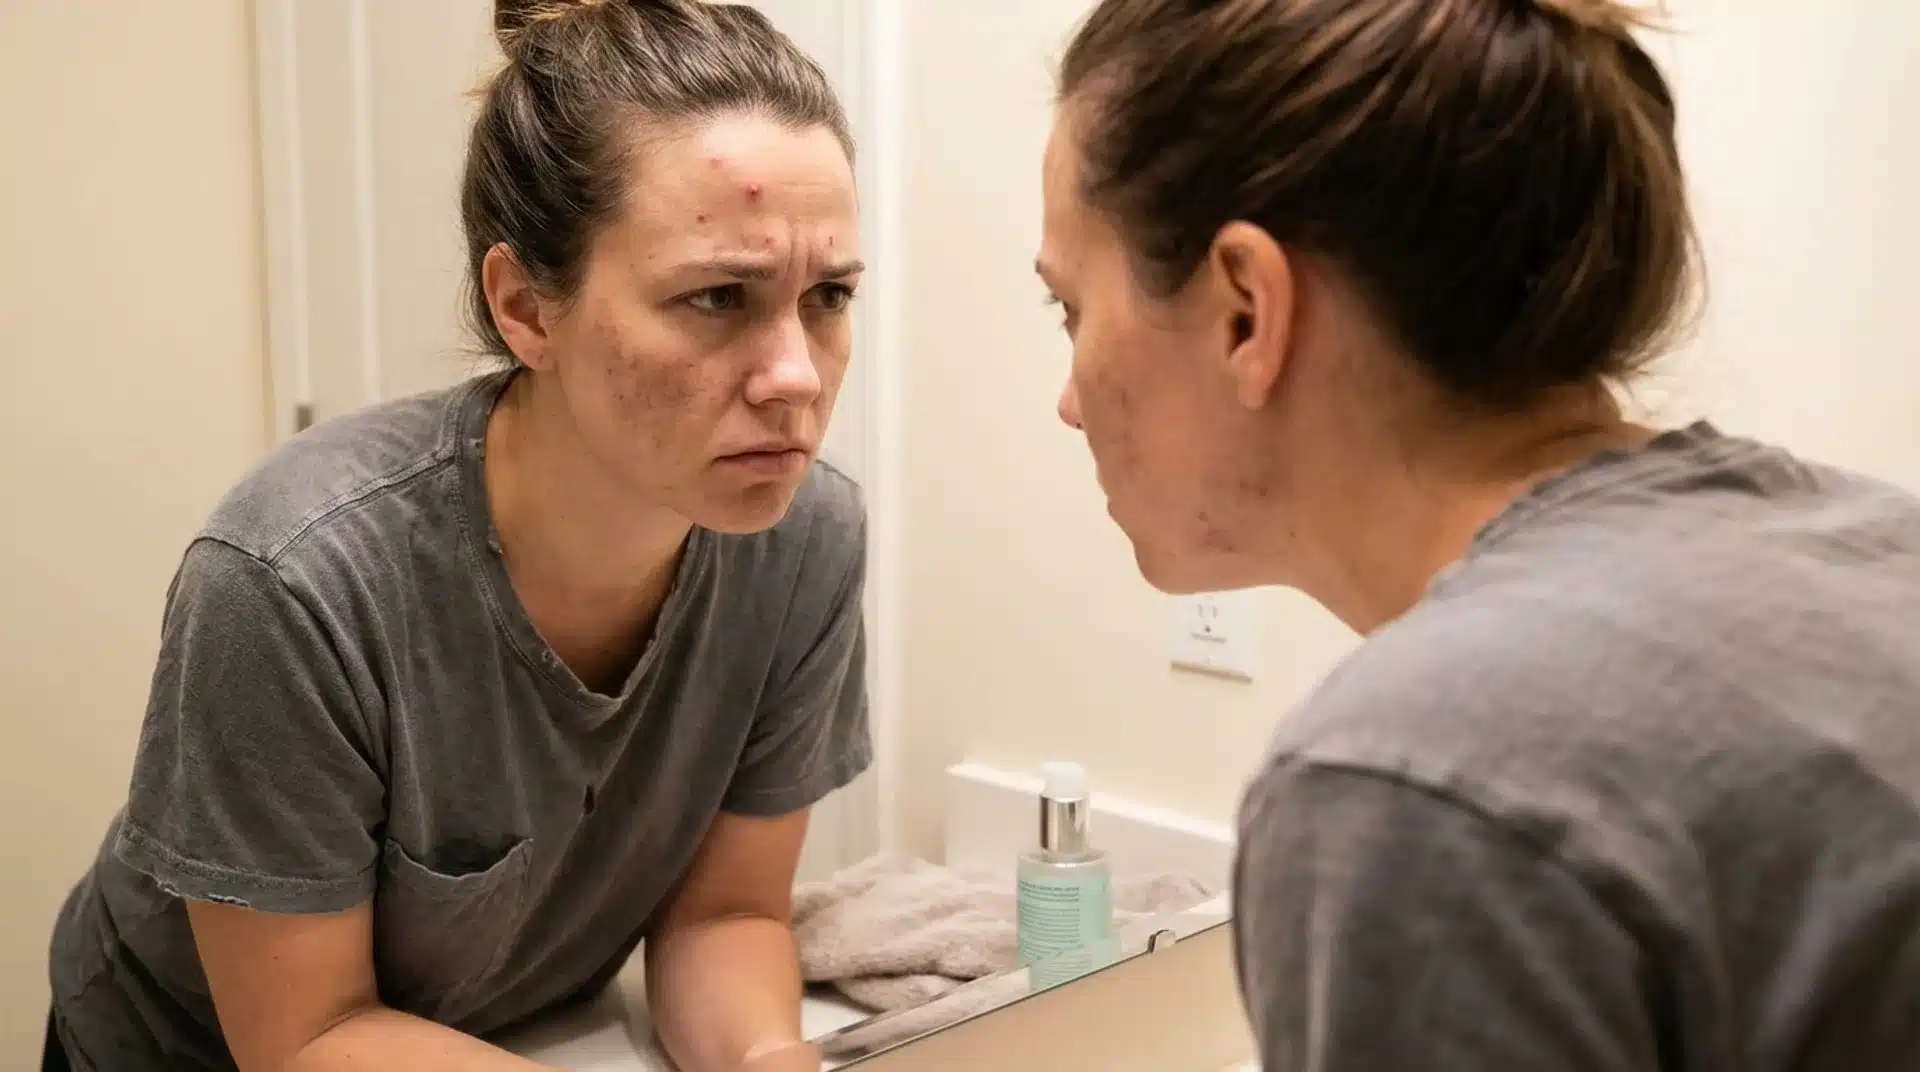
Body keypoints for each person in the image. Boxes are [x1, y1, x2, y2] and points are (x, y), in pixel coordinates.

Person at [1040, 0, 1920, 1069]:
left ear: (1245, 311)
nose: (1070, 399)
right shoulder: (1882, 544)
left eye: (1071, 309)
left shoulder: (1417, 782)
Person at [45, 1, 865, 1069]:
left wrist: (766, 1057)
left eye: (831, 295)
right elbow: (309, 1036)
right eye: (716, 296)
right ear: (526, 306)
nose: (797, 374)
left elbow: (725, 917)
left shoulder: (804, 540)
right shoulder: (294, 581)